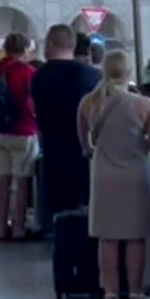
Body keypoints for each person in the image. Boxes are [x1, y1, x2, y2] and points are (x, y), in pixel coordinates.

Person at [79, 50, 150, 299]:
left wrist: (92, 150)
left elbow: (84, 140)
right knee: (135, 235)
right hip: (136, 174)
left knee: (107, 236)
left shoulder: (89, 102)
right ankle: (136, 292)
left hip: (104, 173)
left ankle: (110, 293)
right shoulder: (143, 104)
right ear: (129, 71)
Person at [31, 24, 103, 220]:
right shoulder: (93, 76)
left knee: (58, 209)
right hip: (86, 150)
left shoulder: (39, 76)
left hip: (53, 150)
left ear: (50, 44)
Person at [0, 32, 38, 240]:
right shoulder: (28, 72)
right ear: (25, 49)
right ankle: (19, 227)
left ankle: (1, 227)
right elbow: (33, 102)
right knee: (22, 181)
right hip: (23, 131)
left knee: (2, 180)